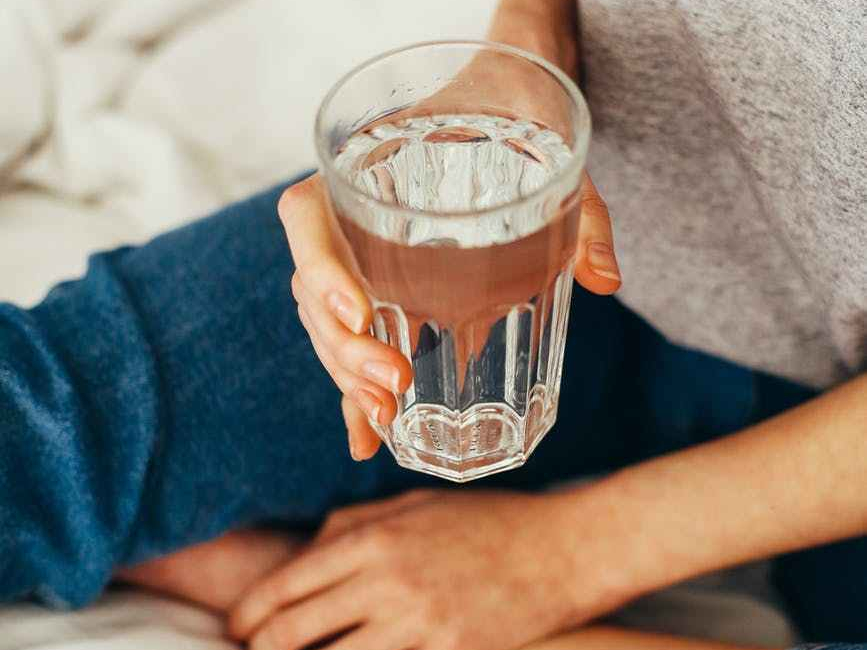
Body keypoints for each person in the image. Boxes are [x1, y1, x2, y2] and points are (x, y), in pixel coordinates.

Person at [0, 0, 864, 648]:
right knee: (32, 430)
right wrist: (526, 46)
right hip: (575, 228)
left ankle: (283, 582)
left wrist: (570, 555)